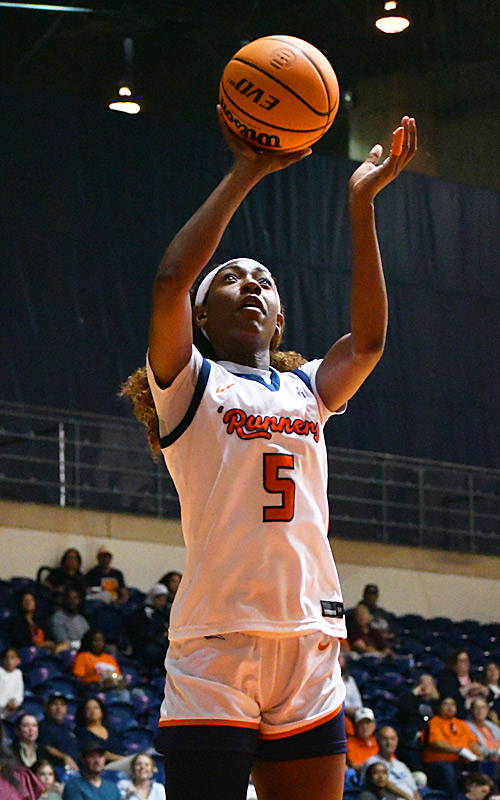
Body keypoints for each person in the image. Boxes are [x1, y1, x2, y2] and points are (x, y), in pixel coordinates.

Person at [121, 105, 417, 800]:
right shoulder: (189, 383)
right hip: (216, 646)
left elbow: (368, 343)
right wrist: (246, 171)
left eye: (265, 279)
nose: (251, 283)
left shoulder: (308, 387)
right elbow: (169, 281)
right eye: (231, 276)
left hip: (309, 640)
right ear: (200, 315)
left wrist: (361, 205)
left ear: (280, 319)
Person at [421, 696, 482, 799]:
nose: (450, 707)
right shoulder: (435, 722)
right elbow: (437, 743)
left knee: (482, 766)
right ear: (439, 707)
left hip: (462, 761)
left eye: (452, 704)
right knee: (447, 769)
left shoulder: (460, 723)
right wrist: (459, 750)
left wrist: (479, 756)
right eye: (446, 704)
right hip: (440, 762)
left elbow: (473, 742)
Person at [361, 726, 421, 800]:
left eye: (392, 739)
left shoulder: (401, 765)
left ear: (397, 741)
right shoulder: (372, 762)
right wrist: (407, 796)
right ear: (378, 741)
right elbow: (384, 784)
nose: (389, 743)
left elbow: (415, 791)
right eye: (385, 739)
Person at [397, 674, 439, 769]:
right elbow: (402, 707)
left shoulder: (436, 703)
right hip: (413, 734)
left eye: (428, 683)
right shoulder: (413, 700)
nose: (425, 686)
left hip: (432, 734)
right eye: (422, 683)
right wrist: (414, 693)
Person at [127, 584, 170, 673]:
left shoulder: (165, 613)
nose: (162, 602)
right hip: (146, 645)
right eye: (160, 599)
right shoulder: (141, 613)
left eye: (164, 599)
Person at [437, 649, 489, 719]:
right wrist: (467, 688)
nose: (465, 663)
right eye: (462, 661)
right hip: (463, 714)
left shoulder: (475, 676)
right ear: (455, 664)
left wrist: (483, 690)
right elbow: (450, 697)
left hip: (481, 712)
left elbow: (490, 695)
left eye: (467, 660)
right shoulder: (447, 679)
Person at [74, 697, 124, 764]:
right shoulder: (81, 732)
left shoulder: (110, 730)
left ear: (101, 711)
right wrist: (120, 759)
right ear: (83, 713)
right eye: (88, 709)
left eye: (96, 708)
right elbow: (92, 752)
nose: (93, 711)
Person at [38, 693, 79, 773]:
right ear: (46, 707)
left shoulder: (68, 729)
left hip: (74, 770)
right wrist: (65, 757)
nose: (59, 709)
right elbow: (45, 746)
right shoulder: (43, 726)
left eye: (62, 705)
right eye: (55, 704)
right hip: (54, 770)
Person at [466, 697, 500, 772]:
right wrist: (497, 752)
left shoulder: (492, 725)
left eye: (483, 708)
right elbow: (476, 749)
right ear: (472, 710)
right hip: (485, 761)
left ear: (487, 710)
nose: (480, 711)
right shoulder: (466, 726)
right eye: (477, 708)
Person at [0, 647, 24, 719]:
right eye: (7, 658)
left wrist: (15, 701)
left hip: (12, 709)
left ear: (18, 660)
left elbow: (19, 692)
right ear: (3, 660)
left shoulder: (18, 673)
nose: (9, 661)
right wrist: (4, 704)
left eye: (12, 658)